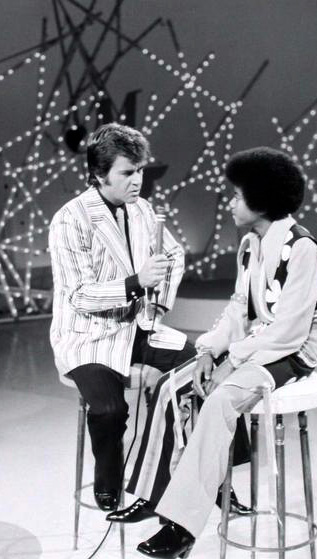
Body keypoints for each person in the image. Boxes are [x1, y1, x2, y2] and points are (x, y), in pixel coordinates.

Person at [129, 147, 317, 559]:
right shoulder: (251, 244)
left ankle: (181, 527)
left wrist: (233, 361)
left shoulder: (304, 249)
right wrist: (208, 351)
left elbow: (290, 331)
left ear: (262, 199)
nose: (231, 203)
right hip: (255, 346)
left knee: (220, 400)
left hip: (290, 354)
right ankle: (155, 494)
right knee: (174, 384)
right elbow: (239, 308)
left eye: (237, 195)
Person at [49, 122, 250, 514]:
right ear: (99, 174)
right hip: (88, 335)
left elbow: (173, 255)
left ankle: (218, 479)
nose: (138, 180)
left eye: (140, 170)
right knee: (109, 409)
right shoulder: (70, 219)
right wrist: (134, 283)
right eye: (127, 172)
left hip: (139, 328)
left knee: (211, 371)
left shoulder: (141, 209)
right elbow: (79, 295)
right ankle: (108, 482)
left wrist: (158, 305)